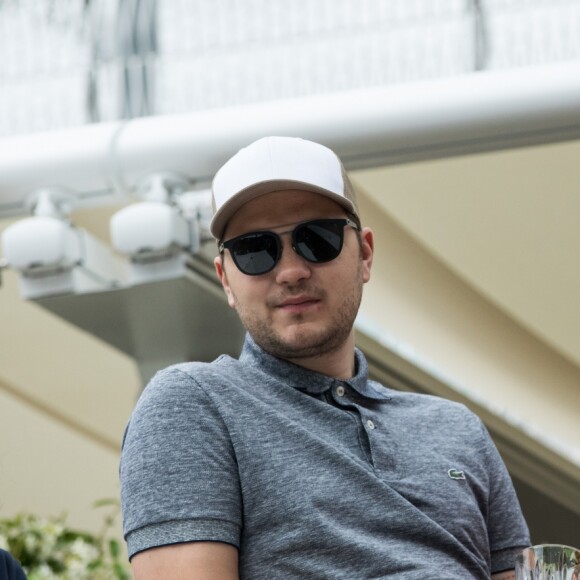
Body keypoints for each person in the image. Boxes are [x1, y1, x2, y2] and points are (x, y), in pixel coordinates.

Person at [120, 136, 530, 579]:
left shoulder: (458, 429)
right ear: (225, 279)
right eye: (254, 250)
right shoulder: (193, 403)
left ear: (365, 254)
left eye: (317, 239)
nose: (292, 270)